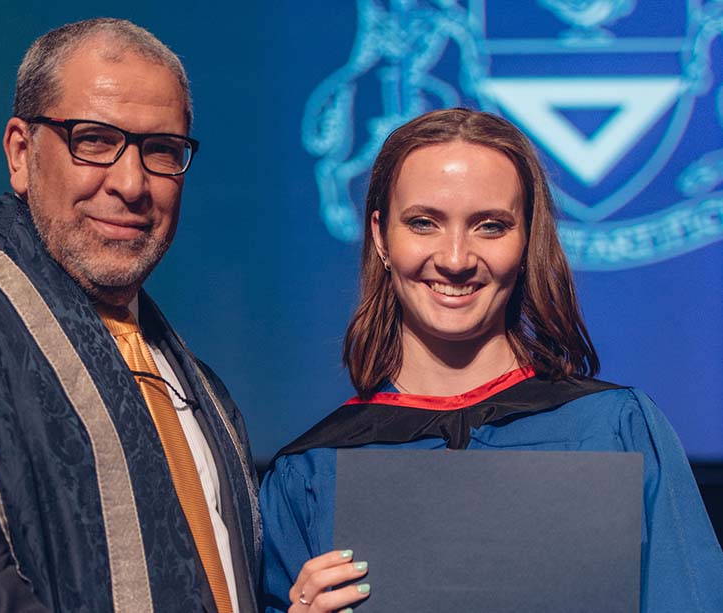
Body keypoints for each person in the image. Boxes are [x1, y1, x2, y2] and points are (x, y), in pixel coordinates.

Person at [259, 108, 723, 612]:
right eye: (423, 223)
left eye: (490, 226)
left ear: (527, 239)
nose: (455, 259)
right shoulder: (310, 472)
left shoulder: (616, 429)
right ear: (380, 236)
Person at [0, 18, 260, 613]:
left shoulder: (201, 390)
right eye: (93, 139)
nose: (131, 183)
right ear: (21, 153)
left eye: (161, 150)